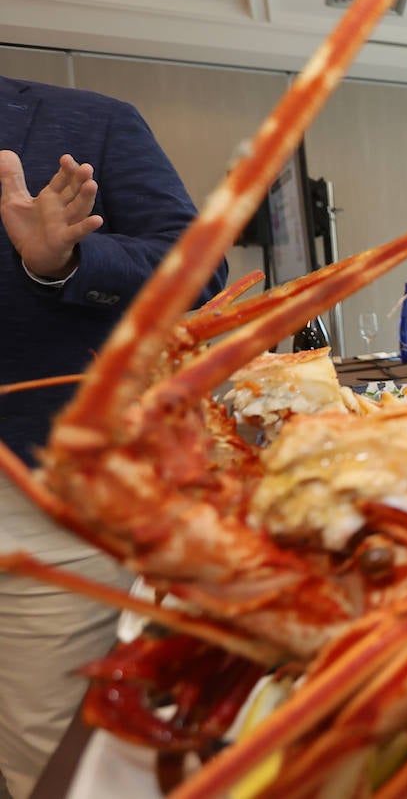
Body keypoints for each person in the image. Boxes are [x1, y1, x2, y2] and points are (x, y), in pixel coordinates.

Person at [0, 74, 227, 798]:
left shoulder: (89, 121)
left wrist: (64, 262)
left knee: (47, 757)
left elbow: (200, 268)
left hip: (38, 495)